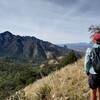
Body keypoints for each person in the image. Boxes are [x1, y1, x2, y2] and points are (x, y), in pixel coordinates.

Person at [84, 32, 100, 100]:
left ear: (94, 40)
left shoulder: (89, 50)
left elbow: (87, 63)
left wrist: (87, 71)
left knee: (93, 91)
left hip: (93, 74)